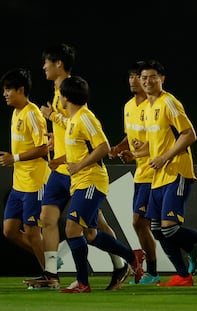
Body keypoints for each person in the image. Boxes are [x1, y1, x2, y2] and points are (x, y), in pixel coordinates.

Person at [28, 43, 141, 291]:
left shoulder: (72, 91)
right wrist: (54, 142)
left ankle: (121, 263)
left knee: (89, 228)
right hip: (64, 168)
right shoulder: (59, 91)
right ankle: (52, 274)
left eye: (47, 61)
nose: (43, 66)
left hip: (82, 171)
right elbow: (69, 129)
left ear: (59, 63)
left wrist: (52, 117)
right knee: (49, 218)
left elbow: (81, 127)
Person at [127, 59, 197, 286]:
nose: (147, 81)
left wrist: (165, 157)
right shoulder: (149, 108)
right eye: (144, 78)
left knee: (169, 228)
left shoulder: (168, 102)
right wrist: (136, 154)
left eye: (153, 77)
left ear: (162, 79)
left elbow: (189, 134)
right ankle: (183, 275)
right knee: (156, 229)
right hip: (158, 175)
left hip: (176, 171)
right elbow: (156, 144)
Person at [58, 75, 142, 293]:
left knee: (72, 227)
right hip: (80, 183)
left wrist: (79, 166)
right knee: (91, 235)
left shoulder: (85, 118)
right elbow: (75, 142)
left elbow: (103, 146)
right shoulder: (74, 119)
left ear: (66, 96)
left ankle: (83, 283)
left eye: (60, 92)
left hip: (91, 181)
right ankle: (132, 258)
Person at [108, 61, 159, 285]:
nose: (133, 80)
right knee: (141, 223)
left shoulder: (153, 106)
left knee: (150, 223)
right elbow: (131, 135)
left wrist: (135, 154)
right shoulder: (128, 106)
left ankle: (153, 270)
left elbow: (159, 139)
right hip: (141, 172)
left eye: (137, 76)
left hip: (157, 170)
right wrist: (120, 148)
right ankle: (152, 270)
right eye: (130, 76)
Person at [0, 67, 50, 274]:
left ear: (20, 90)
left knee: (31, 231)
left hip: (34, 182)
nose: (4, 94)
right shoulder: (16, 112)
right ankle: (51, 262)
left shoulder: (33, 114)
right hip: (18, 182)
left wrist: (15, 158)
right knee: (10, 231)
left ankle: (50, 273)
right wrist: (14, 159)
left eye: (8, 89)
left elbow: (43, 148)